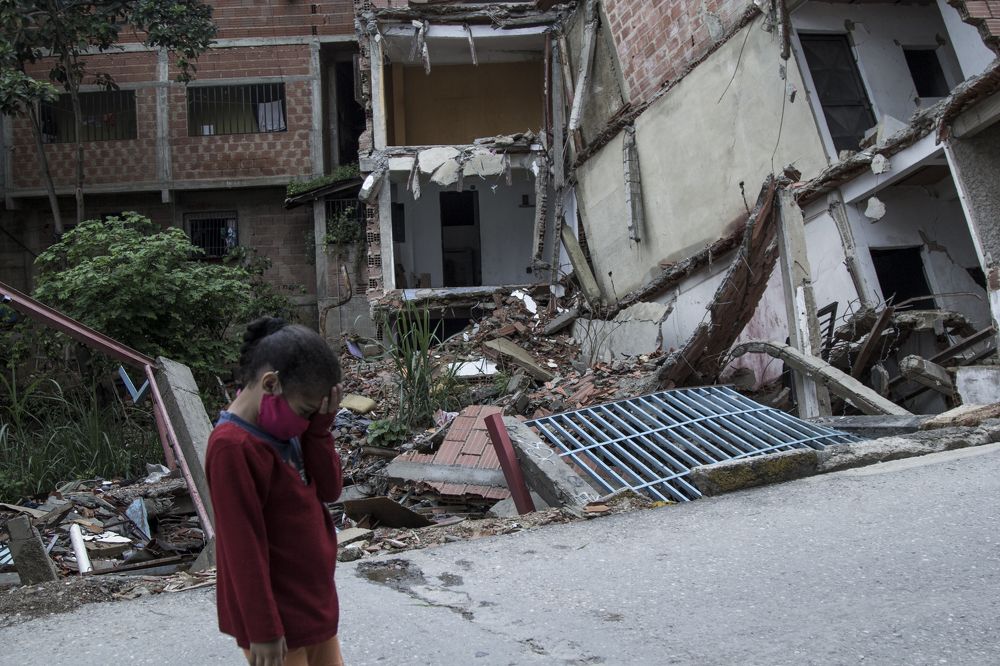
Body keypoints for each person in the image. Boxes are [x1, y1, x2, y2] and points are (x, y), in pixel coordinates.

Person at [206, 317, 345, 666]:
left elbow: (330, 490)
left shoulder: (290, 429)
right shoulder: (232, 448)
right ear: (271, 384)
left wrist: (319, 429)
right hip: (276, 622)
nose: (306, 420)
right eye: (306, 411)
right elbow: (242, 546)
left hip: (312, 606)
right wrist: (263, 630)